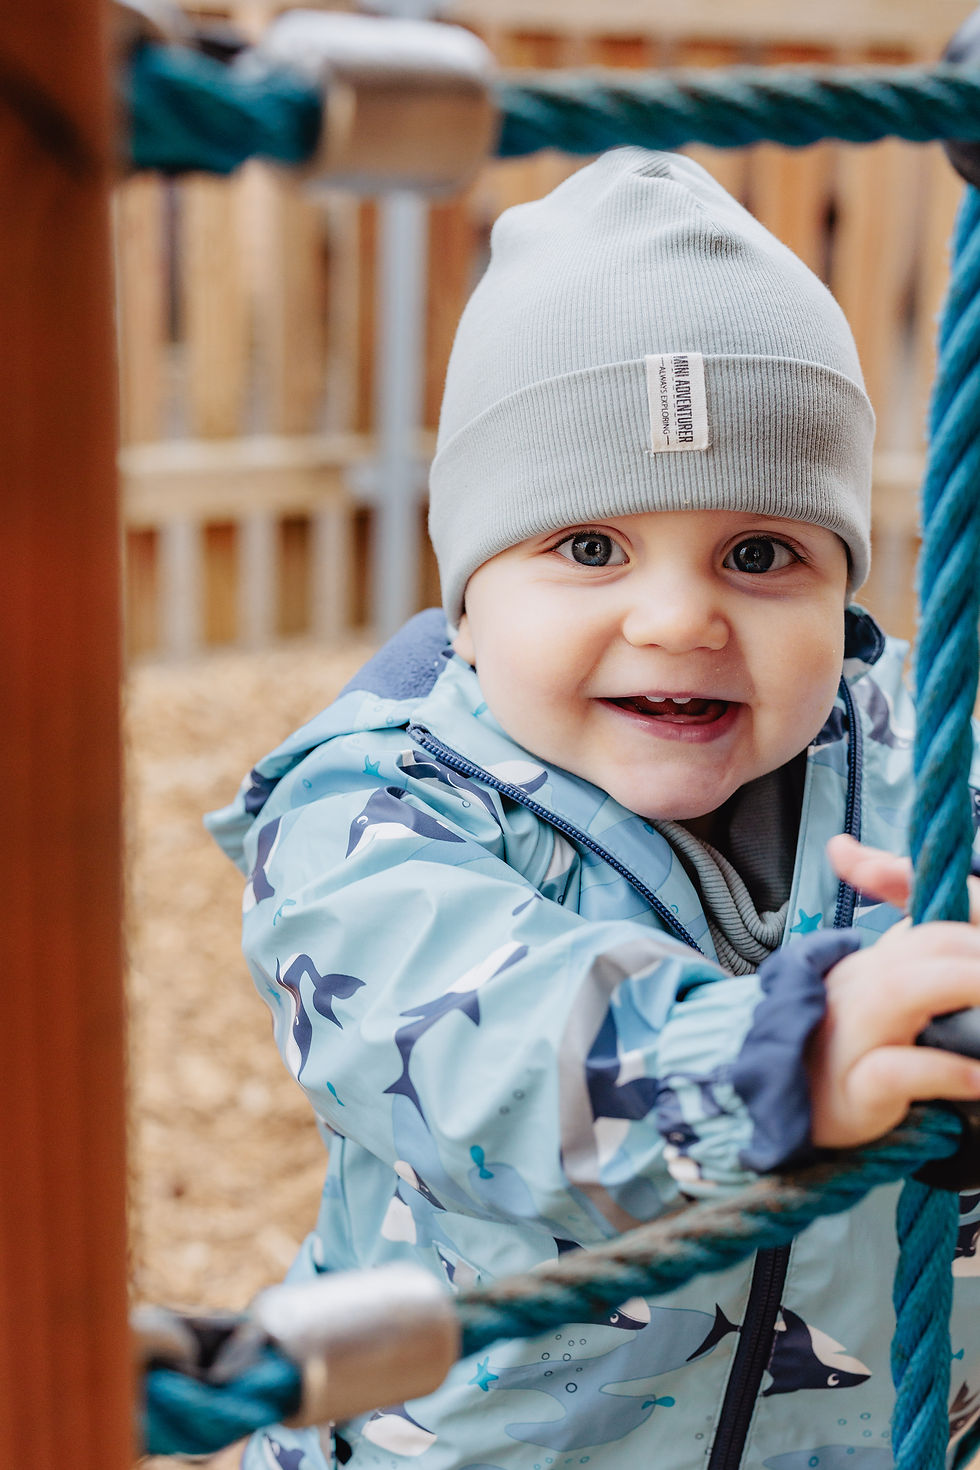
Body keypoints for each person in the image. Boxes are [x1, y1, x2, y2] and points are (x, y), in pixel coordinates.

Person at [206, 148, 980, 1470]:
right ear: (466, 593)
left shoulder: (934, 765)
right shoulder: (368, 817)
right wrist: (778, 1056)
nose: (680, 616)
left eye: (760, 553)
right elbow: (484, 1054)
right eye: (588, 547)